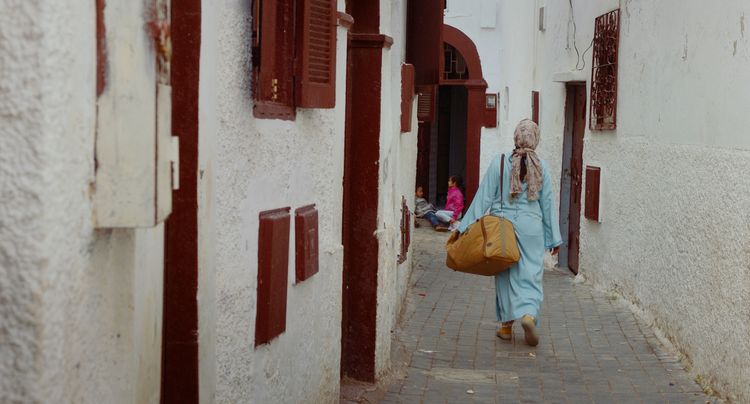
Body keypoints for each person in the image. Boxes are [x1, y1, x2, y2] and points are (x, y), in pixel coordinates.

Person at [457, 119, 562, 347]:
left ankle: (505, 327)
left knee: (504, 273)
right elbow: (547, 204)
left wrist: (462, 227)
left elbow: (483, 196)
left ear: (516, 137)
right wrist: (553, 238)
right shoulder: (542, 166)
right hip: (532, 228)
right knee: (531, 274)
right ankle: (529, 315)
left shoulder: (500, 161)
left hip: (502, 226)